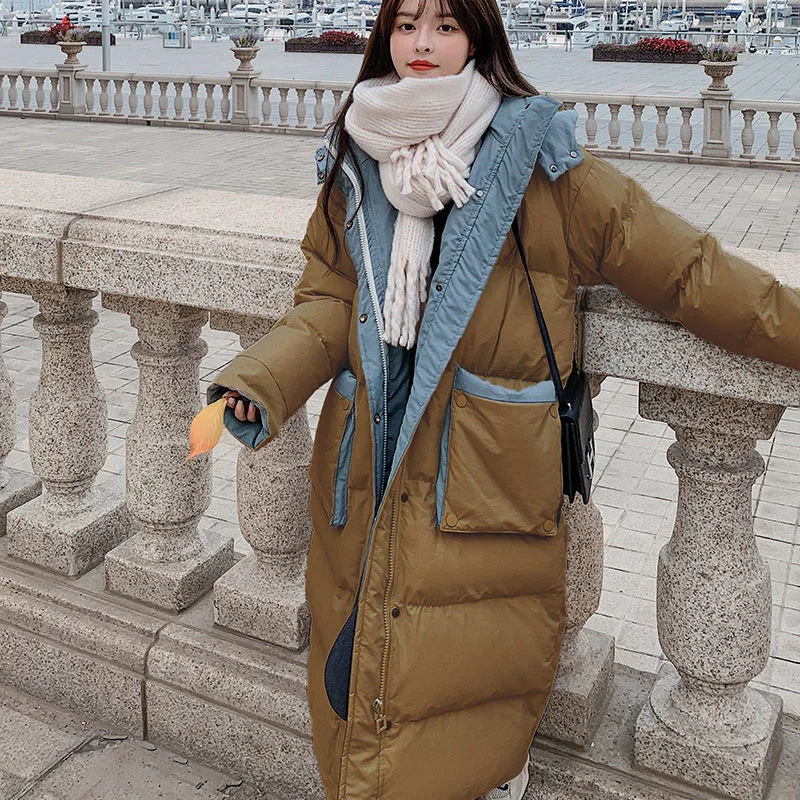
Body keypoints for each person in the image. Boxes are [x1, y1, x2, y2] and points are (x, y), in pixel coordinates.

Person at [206, 0, 800, 798]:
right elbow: (328, 300)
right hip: (367, 475)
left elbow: (690, 272)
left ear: (479, 38)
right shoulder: (356, 155)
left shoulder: (541, 164)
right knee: (363, 685)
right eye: (406, 23)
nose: (421, 43)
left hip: (481, 487)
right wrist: (262, 378)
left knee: (456, 702)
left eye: (445, 25)